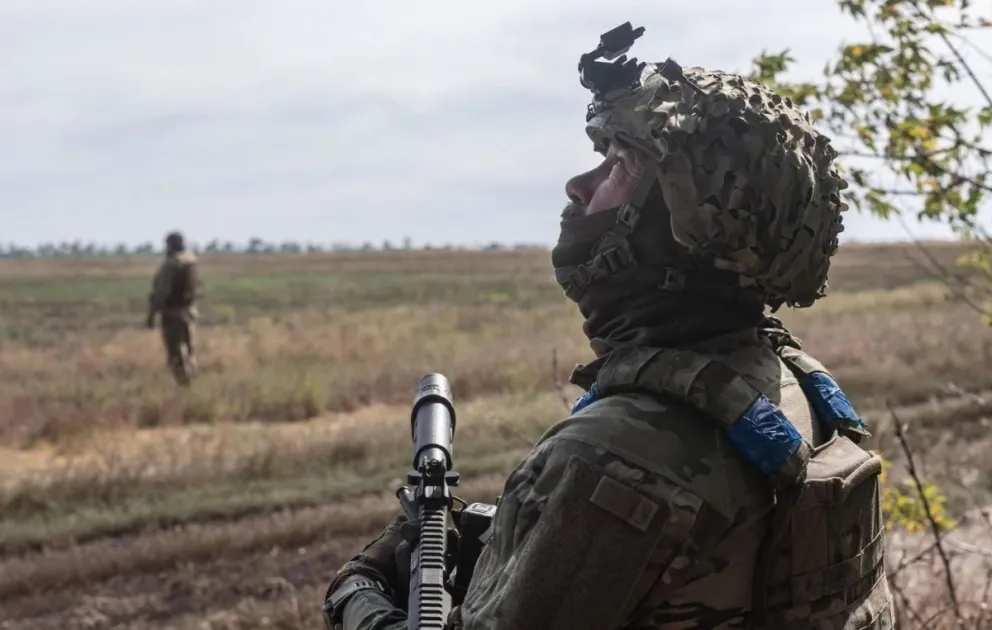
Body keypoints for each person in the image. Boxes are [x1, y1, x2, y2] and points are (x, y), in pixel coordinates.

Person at [323, 23, 893, 630]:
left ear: (683, 223)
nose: (579, 187)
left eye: (620, 164)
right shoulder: (790, 389)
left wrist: (359, 591)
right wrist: (507, 534)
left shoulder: (612, 456)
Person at [147, 230, 200, 386]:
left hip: (173, 314)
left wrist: (152, 314)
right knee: (189, 352)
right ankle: (192, 382)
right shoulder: (191, 261)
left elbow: (163, 292)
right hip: (189, 311)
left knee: (176, 355)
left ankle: (185, 386)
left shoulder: (172, 264)